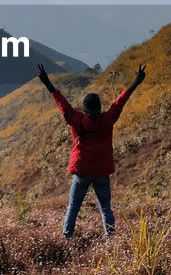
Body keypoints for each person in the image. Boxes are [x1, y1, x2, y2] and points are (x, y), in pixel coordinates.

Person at [37, 62, 147, 238]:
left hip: (81, 170)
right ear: (99, 107)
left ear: (85, 108)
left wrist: (46, 82)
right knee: (105, 208)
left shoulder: (76, 119)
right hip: (102, 171)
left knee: (73, 206)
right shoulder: (108, 119)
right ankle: (111, 239)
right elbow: (120, 102)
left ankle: (67, 237)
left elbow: (62, 104)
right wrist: (136, 81)